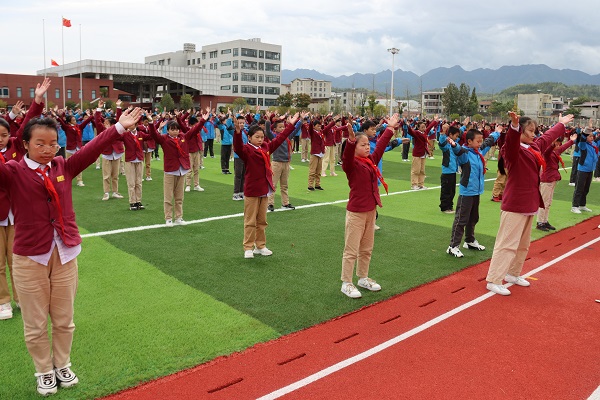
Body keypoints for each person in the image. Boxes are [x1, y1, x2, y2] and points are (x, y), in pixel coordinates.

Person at [0, 98, 142, 395]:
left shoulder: (63, 165)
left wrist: (117, 127)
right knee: (36, 323)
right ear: (24, 144)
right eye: (40, 144)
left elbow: (91, 151)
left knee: (64, 320)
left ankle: (62, 364)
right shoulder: (12, 171)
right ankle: (43, 370)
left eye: (53, 144)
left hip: (64, 254)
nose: (48, 150)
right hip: (29, 258)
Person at [485, 112, 573, 296]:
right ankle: (493, 279)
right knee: (507, 243)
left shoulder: (533, 147)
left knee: (523, 244)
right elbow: (510, 143)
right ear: (521, 132)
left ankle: (513, 273)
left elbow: (547, 137)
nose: (534, 134)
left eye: (535, 130)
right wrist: (514, 126)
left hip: (530, 203)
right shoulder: (513, 151)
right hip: (515, 204)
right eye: (530, 131)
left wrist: (561, 124)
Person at [0, 79, 50, 321]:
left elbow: (28, 127)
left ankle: (19, 297)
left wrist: (37, 101)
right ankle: (3, 301)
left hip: (16, 214)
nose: (1, 139)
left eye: (4, 134)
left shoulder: (16, 147)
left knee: (15, 259)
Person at [340, 113, 400, 298]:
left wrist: (389, 129)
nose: (367, 147)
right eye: (363, 145)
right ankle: (346, 282)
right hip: (356, 212)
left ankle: (362, 277)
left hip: (370, 210)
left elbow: (380, 147)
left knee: (366, 248)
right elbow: (348, 156)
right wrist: (350, 142)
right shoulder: (351, 165)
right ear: (354, 147)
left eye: (368, 144)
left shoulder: (370, 161)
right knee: (351, 250)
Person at [233, 112, 302, 259]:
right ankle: (248, 247)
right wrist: (237, 132)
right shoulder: (246, 150)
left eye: (261, 137)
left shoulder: (266, 148)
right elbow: (238, 148)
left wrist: (291, 125)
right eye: (256, 137)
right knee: (250, 220)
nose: (259, 140)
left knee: (262, 220)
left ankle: (261, 245)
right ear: (249, 138)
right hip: (252, 190)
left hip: (264, 189)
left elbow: (281, 138)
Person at [148, 110, 208, 226]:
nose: (175, 131)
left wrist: (203, 121)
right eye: (172, 129)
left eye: (176, 129)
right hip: (170, 170)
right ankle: (168, 218)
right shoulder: (164, 139)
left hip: (182, 169)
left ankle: (179, 217)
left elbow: (194, 130)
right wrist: (151, 123)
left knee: (179, 196)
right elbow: (154, 135)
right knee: (168, 196)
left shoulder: (183, 137)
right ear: (168, 130)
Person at [446, 128, 499, 258]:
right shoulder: (465, 153)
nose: (480, 143)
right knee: (461, 219)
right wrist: (454, 145)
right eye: (477, 141)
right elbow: (458, 150)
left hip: (477, 191)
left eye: (480, 141)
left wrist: (496, 132)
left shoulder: (478, 151)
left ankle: (469, 240)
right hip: (467, 192)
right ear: (469, 141)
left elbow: (488, 141)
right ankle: (453, 246)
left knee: (473, 217)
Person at [536, 132, 577, 230]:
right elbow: (548, 151)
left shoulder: (555, 152)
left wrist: (571, 141)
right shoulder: (547, 152)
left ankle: (544, 221)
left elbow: (562, 148)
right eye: (557, 143)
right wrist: (552, 144)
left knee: (548, 202)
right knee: (544, 202)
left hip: (552, 180)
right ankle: (540, 222)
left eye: (559, 143)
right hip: (547, 180)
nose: (559, 145)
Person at [265, 116, 301, 211]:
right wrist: (268, 119)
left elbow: (295, 129)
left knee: (284, 185)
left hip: (286, 163)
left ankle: (285, 203)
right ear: (275, 129)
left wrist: (300, 121)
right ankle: (270, 203)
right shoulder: (274, 136)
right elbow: (268, 131)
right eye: (280, 127)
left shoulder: (287, 137)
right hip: (276, 163)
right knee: (273, 184)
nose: (282, 129)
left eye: (283, 127)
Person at [571, 122, 598, 214]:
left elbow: (597, 138)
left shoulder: (593, 144)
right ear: (586, 137)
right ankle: (574, 206)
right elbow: (582, 137)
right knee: (579, 188)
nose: (592, 138)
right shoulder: (583, 145)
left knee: (586, 188)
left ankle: (582, 205)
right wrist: (588, 128)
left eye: (592, 136)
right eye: (590, 136)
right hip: (583, 169)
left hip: (590, 169)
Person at [438, 125, 460, 213]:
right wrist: (443, 132)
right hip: (447, 171)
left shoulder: (454, 144)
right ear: (450, 135)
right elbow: (441, 143)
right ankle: (444, 207)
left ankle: (450, 206)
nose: (457, 138)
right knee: (446, 191)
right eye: (456, 136)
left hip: (453, 171)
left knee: (452, 191)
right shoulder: (446, 145)